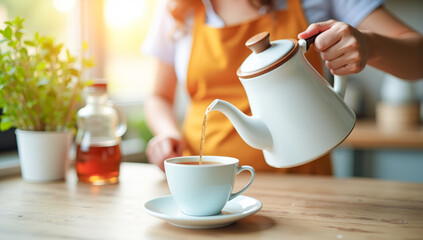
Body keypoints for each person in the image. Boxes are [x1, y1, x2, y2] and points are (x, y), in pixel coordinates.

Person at [142, 0, 423, 173]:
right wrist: (167, 135)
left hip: (306, 183)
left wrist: (369, 45)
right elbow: (158, 96)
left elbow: (418, 57)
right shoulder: (177, 6)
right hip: (209, 181)